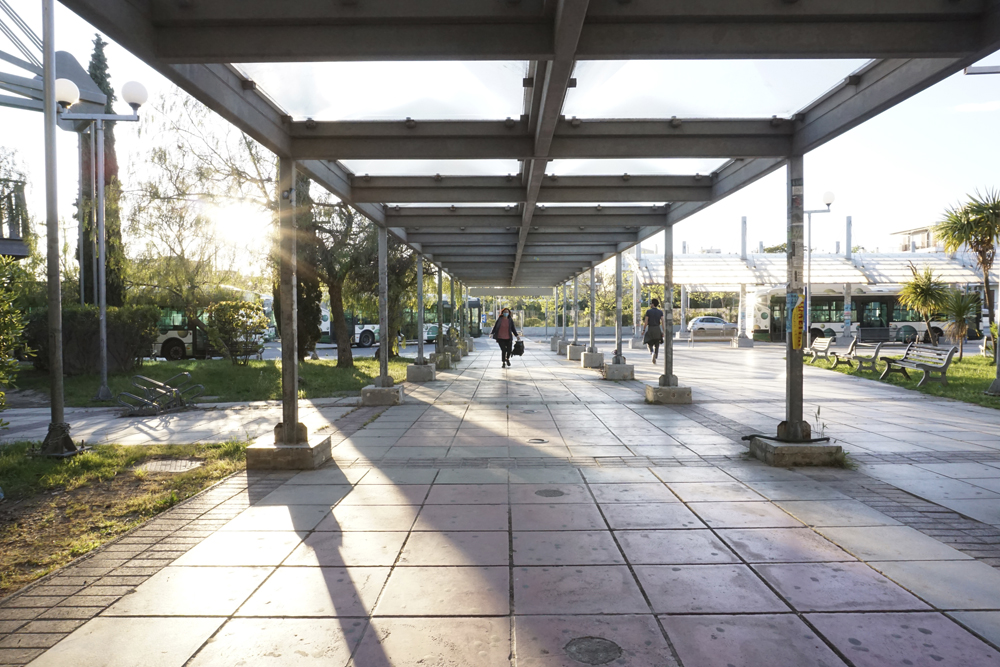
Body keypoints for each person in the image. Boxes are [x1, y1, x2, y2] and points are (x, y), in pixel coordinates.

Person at [642, 298, 665, 364]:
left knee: (649, 342)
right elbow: (663, 322)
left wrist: (644, 330)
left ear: (653, 304)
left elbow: (646, 322)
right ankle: (656, 355)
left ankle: (652, 352)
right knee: (657, 344)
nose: (650, 305)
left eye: (651, 303)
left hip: (651, 329)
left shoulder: (648, 312)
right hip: (657, 329)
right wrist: (663, 331)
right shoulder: (660, 312)